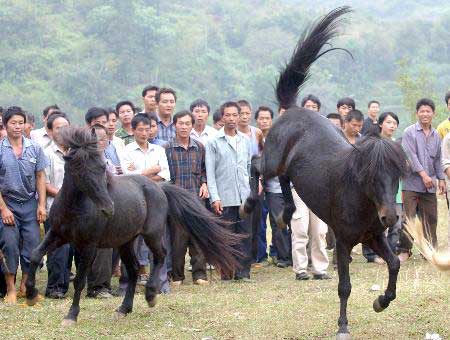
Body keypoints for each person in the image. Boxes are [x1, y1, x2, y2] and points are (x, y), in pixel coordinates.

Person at [0, 106, 48, 304]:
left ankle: (26, 287)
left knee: (33, 246)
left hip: (30, 203)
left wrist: (42, 205)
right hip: (7, 203)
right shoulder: (1, 149)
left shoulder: (34, 148)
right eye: (13, 123)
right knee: (10, 245)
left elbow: (40, 177)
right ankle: (10, 288)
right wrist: (3, 209)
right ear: (5, 125)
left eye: (21, 123)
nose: (17, 127)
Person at [122, 114, 171, 293]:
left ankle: (161, 282)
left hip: (155, 201)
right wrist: (152, 170)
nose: (144, 133)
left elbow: (165, 175)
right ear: (133, 130)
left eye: (147, 129)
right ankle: (127, 283)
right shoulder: (126, 150)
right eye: (140, 130)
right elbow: (127, 177)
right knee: (129, 242)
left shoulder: (159, 150)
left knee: (157, 242)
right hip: (132, 202)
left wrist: (139, 174)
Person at [205, 101, 253, 281]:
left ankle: (243, 273)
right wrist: (214, 198)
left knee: (244, 236)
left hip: (244, 197)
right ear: (222, 117)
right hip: (224, 198)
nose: (232, 119)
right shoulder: (213, 142)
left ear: (239, 116)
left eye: (235, 115)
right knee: (226, 237)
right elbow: (210, 173)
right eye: (228, 115)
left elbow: (248, 168)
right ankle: (226, 272)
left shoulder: (245, 140)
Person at [398, 98, 445, 262]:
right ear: (417, 113)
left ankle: (430, 250)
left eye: (428, 111)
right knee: (408, 217)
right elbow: (411, 156)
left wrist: (441, 179)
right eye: (422, 111)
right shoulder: (409, 132)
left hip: (430, 185)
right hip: (411, 183)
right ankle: (404, 250)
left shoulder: (436, 135)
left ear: (433, 113)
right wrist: (424, 175)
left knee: (431, 218)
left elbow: (438, 159)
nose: (425, 114)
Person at [165, 110, 209, 285]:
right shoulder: (167, 148)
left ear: (192, 126)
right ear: (175, 125)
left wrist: (204, 183)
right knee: (178, 239)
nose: (184, 127)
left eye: (187, 124)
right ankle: (177, 276)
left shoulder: (199, 147)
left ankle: (199, 274)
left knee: (198, 237)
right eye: (180, 123)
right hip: (176, 200)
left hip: (196, 198)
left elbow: (205, 169)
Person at [290, 97, 330, 280]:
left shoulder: (326, 131)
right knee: (300, 229)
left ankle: (320, 269)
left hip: (321, 189)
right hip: (298, 188)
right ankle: (301, 269)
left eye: (315, 107)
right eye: (308, 107)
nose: (311, 110)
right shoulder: (294, 132)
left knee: (320, 230)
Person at [255, 106, 292, 268]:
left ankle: (290, 255)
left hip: (288, 186)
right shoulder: (254, 138)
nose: (264, 121)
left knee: (294, 223)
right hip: (270, 188)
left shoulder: (279, 136)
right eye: (261, 118)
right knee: (277, 223)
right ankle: (283, 257)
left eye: (267, 118)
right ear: (257, 120)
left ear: (272, 120)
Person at [84, 108, 115, 299]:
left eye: (103, 140)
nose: (99, 143)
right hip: (89, 209)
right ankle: (97, 287)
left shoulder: (109, 156)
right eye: (96, 140)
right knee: (101, 246)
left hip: (109, 206)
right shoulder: (85, 160)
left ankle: (104, 283)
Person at [43, 113, 71, 299]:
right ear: (50, 131)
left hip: (76, 209)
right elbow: (43, 183)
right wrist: (65, 195)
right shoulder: (46, 153)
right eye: (58, 127)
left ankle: (64, 285)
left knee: (71, 249)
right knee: (57, 248)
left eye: (66, 126)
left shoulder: (76, 152)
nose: (62, 131)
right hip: (55, 207)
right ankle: (54, 287)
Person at [378, 112, 402, 254]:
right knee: (375, 225)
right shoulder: (373, 143)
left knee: (396, 224)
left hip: (395, 192)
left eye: (394, 123)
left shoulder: (398, 145)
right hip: (378, 193)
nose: (392, 125)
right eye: (388, 122)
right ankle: (373, 254)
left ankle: (391, 253)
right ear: (380, 124)